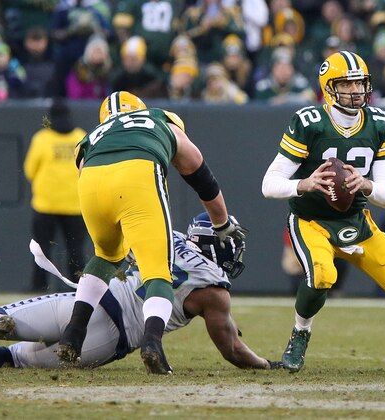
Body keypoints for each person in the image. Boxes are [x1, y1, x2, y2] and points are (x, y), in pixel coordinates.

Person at [261, 50, 385, 375]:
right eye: (347, 84)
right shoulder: (309, 122)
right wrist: (306, 183)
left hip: (357, 221)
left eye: (360, 83)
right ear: (329, 88)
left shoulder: (380, 123)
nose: (356, 91)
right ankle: (300, 333)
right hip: (311, 221)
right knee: (324, 276)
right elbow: (269, 184)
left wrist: (364, 184)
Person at [0, 216, 279, 371]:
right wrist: (266, 364)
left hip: (89, 302)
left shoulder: (167, 235)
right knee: (17, 361)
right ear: (215, 245)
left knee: (14, 319)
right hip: (114, 337)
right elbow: (232, 350)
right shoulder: (214, 291)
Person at [59, 90, 247, 375]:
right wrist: (221, 223)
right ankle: (152, 343)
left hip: (91, 182)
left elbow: (85, 171)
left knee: (106, 256)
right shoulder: (159, 118)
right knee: (158, 270)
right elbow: (201, 176)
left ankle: (73, 334)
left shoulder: (92, 135)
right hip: (138, 173)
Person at [23, 100, 89, 293]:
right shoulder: (82, 137)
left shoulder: (42, 138)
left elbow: (29, 170)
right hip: (75, 204)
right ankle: (79, 289)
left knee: (42, 249)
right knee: (76, 250)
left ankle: (39, 287)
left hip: (46, 204)